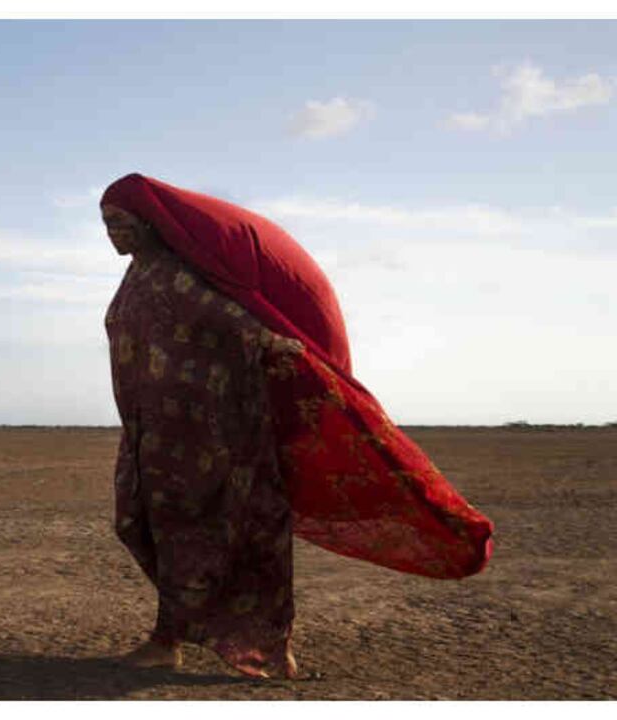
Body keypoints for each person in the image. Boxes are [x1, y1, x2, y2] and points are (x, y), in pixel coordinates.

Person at [100, 174, 493, 680]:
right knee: (144, 525)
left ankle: (255, 644)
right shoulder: (137, 277)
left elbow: (229, 319)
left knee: (227, 534)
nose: (112, 234)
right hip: (151, 435)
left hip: (208, 436)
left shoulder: (175, 275)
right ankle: (171, 636)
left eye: (119, 223)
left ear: (148, 223)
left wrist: (275, 343)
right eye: (107, 226)